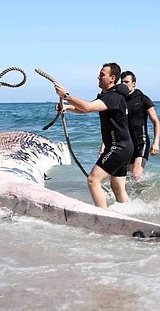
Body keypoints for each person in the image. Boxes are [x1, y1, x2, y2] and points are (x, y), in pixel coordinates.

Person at [53, 63, 133, 209]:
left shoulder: (113, 97)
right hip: (125, 147)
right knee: (118, 188)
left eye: (102, 74)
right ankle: (130, 213)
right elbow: (86, 109)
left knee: (93, 180)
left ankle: (103, 217)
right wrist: (67, 107)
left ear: (112, 78)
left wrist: (65, 96)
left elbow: (87, 107)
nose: (98, 76)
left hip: (118, 148)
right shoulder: (109, 96)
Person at [120, 71, 160, 180]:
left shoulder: (143, 99)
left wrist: (156, 143)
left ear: (134, 83)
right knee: (127, 177)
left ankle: (145, 196)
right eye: (122, 82)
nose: (124, 84)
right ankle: (131, 197)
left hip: (141, 142)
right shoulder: (121, 101)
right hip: (127, 144)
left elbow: (156, 121)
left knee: (136, 174)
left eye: (127, 82)